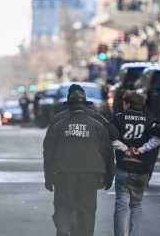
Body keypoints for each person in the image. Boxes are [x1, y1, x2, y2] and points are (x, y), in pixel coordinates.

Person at [43, 90, 116, 236]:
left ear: (69, 107)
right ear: (86, 106)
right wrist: (109, 176)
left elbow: (49, 152)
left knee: (63, 207)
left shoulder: (59, 125)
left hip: (63, 173)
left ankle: (63, 230)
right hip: (89, 174)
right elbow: (107, 152)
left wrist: (48, 177)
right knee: (87, 210)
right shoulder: (97, 126)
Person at [110, 90, 160, 236]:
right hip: (141, 169)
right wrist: (141, 150)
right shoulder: (149, 120)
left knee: (121, 205)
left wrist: (124, 148)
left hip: (123, 166)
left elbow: (108, 136)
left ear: (127, 104)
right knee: (136, 205)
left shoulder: (118, 118)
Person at [47, 84, 119, 141]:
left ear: (69, 104)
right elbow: (113, 134)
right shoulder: (96, 117)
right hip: (91, 158)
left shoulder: (58, 119)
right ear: (85, 104)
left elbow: (49, 144)